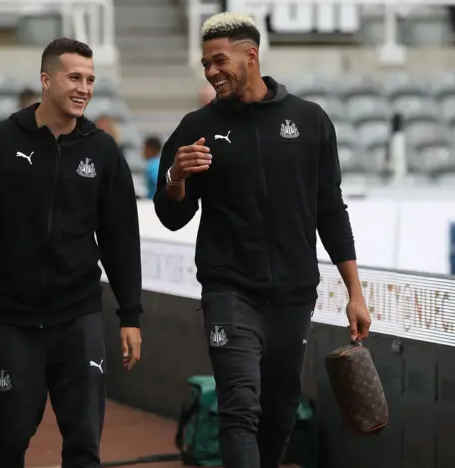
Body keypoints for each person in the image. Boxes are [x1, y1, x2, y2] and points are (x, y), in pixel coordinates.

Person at [153, 12, 371, 468]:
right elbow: (172, 216)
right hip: (229, 290)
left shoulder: (310, 121)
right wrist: (175, 176)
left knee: (279, 412)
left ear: (251, 55)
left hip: (293, 295)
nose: (211, 72)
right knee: (239, 407)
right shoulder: (197, 126)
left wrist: (355, 292)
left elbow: (330, 211)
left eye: (219, 61)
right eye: (205, 64)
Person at [0, 37, 144, 468]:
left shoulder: (103, 151)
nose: (84, 88)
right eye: (75, 77)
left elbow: (120, 238)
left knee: (85, 443)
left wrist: (131, 314)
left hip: (79, 316)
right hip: (13, 319)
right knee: (11, 437)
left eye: (90, 80)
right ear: (45, 79)